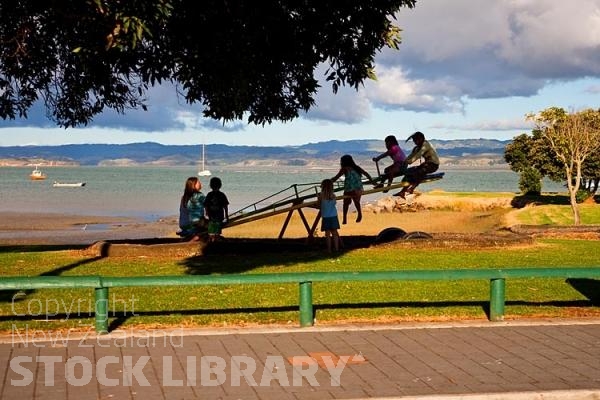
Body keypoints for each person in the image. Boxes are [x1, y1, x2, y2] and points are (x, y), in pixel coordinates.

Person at [331, 154, 376, 224]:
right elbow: (366, 173)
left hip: (350, 189)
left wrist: (328, 183)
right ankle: (359, 214)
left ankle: (345, 218)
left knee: (346, 203)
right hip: (359, 189)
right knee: (356, 201)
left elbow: (336, 177)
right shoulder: (356, 167)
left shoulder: (344, 169)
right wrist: (372, 181)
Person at [397, 131, 440, 199]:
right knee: (409, 172)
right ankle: (402, 191)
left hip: (433, 165)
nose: (414, 142)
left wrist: (409, 162)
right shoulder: (417, 147)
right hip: (426, 164)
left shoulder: (425, 145)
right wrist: (404, 161)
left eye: (415, 140)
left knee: (420, 172)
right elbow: (412, 155)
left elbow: (418, 155)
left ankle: (412, 188)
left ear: (420, 139)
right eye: (414, 141)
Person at [178, 177, 206, 241]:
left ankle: (188, 238)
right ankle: (193, 240)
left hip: (182, 224)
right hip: (192, 225)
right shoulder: (200, 195)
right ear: (193, 185)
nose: (200, 183)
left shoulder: (184, 197)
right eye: (198, 182)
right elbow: (208, 205)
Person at [203, 177, 229, 242]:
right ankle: (216, 241)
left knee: (211, 232)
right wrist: (226, 215)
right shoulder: (222, 195)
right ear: (220, 185)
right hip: (219, 217)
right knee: (217, 232)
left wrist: (206, 213)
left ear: (210, 186)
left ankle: (211, 242)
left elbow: (206, 205)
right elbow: (225, 206)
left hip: (211, 217)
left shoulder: (209, 194)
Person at [318, 179, 341, 253]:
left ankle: (329, 250)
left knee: (327, 234)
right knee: (335, 233)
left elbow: (319, 205)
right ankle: (337, 249)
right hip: (333, 215)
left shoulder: (321, 195)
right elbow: (334, 203)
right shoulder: (333, 195)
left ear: (323, 186)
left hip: (325, 216)